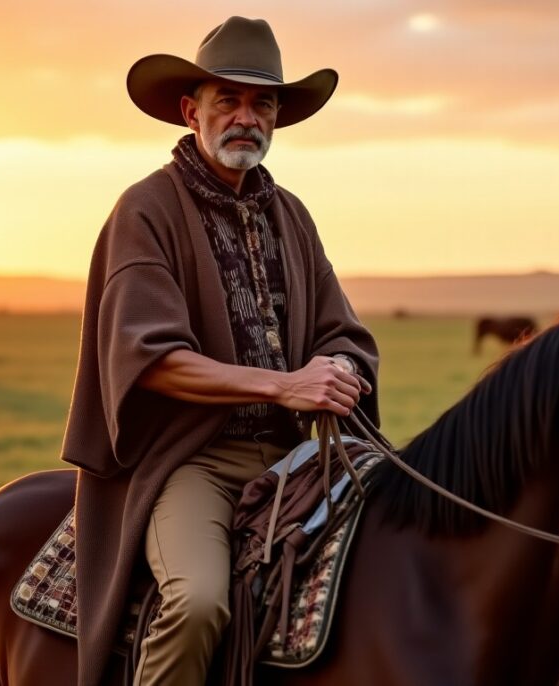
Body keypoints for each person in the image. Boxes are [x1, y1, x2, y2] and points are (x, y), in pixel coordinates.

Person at [59, 16, 380, 686]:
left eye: (262, 102)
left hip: (301, 457)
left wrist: (341, 371)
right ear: (190, 109)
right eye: (227, 100)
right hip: (193, 460)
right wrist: (283, 386)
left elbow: (340, 330)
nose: (245, 117)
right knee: (199, 602)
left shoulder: (288, 213)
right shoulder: (145, 210)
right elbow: (152, 359)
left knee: (405, 556)